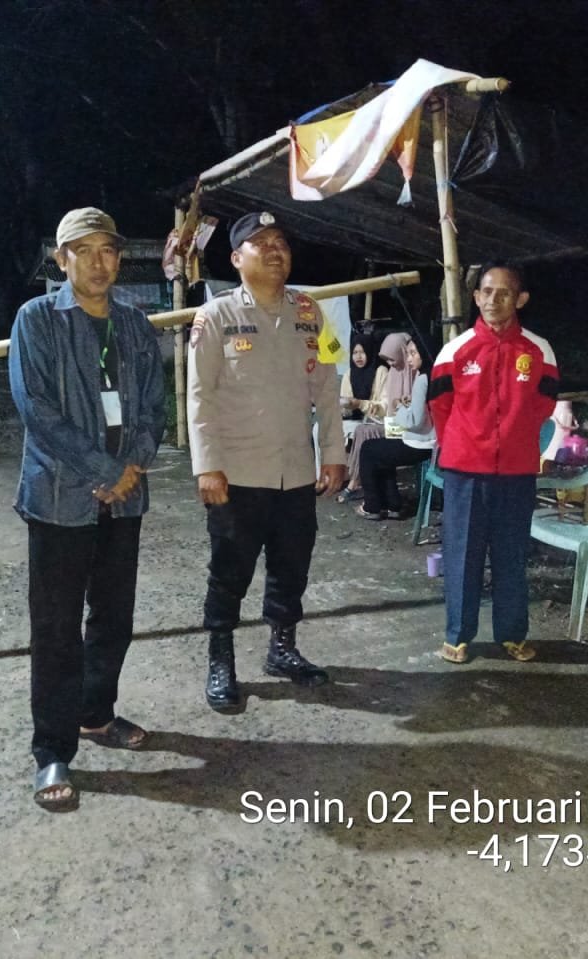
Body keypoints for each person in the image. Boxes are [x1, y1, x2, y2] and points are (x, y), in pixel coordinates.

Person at [9, 207, 166, 811]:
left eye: (109, 250)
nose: (100, 263)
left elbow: (153, 405)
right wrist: (105, 470)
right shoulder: (37, 319)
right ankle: (52, 750)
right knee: (55, 628)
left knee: (114, 617)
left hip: (124, 500)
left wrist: (132, 466)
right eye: (85, 250)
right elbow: (36, 408)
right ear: (62, 258)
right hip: (59, 498)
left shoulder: (133, 323)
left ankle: (96, 713)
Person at [187, 210, 346, 712]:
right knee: (229, 572)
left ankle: (282, 649)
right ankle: (221, 659)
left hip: (295, 470)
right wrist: (207, 466)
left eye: (281, 242)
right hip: (237, 473)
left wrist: (334, 454)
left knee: (291, 566)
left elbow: (328, 387)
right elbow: (199, 397)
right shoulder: (215, 317)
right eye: (262, 243)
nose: (275, 250)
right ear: (237, 259)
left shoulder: (310, 313)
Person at [428, 262, 558, 664]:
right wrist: (467, 444)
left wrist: (515, 438)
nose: (493, 300)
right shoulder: (456, 350)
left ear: (520, 299)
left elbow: (544, 404)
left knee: (511, 555)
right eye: (486, 292)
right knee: (462, 556)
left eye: (504, 293)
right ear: (475, 296)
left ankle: (512, 634)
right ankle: (458, 635)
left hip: (516, 473)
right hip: (465, 472)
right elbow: (440, 406)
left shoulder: (538, 351)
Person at [354, 337, 436, 519]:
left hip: (419, 442)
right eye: (408, 354)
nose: (409, 359)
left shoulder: (422, 378)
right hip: (426, 440)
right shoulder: (431, 374)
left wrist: (399, 407)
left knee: (368, 449)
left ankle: (372, 506)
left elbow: (414, 420)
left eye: (413, 354)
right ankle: (393, 505)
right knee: (382, 452)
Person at [336, 331, 388, 502]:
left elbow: (384, 408)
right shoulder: (349, 374)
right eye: (355, 352)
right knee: (319, 428)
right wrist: (344, 407)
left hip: (379, 420)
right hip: (355, 418)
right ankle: (330, 476)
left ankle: (354, 482)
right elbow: (346, 406)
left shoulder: (381, 372)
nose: (358, 357)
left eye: (363, 352)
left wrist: (360, 403)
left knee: (361, 431)